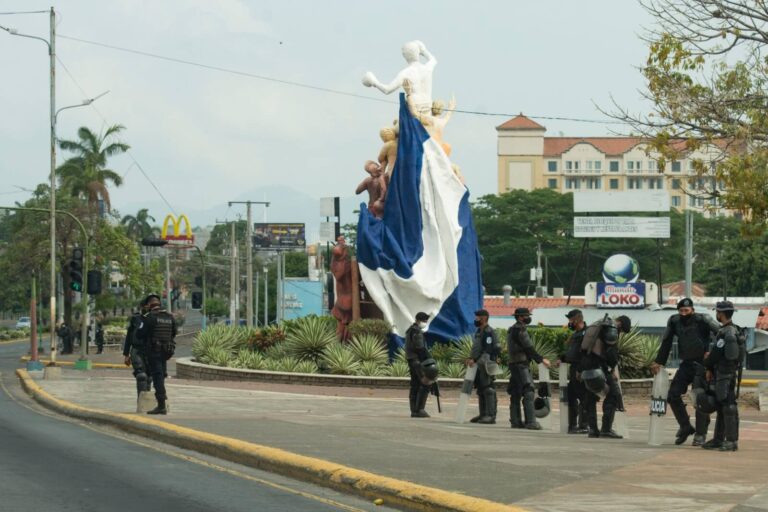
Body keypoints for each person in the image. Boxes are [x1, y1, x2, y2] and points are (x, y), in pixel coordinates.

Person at [651, 297, 719, 446]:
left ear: (692, 310)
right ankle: (685, 426)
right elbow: (667, 342)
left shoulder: (703, 320)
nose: (683, 313)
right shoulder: (674, 321)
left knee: (699, 399)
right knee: (672, 395)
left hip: (702, 365)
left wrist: (711, 354)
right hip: (686, 365)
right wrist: (659, 362)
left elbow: (721, 334)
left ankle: (700, 434)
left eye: (686, 311)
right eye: (681, 310)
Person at [580, 314, 631, 439]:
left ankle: (592, 429)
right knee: (613, 394)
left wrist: (579, 369)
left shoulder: (597, 324)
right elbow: (611, 352)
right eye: (623, 330)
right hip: (599, 365)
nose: (621, 332)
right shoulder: (611, 327)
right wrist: (613, 368)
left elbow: (582, 348)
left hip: (586, 364)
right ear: (621, 324)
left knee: (591, 396)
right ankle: (606, 429)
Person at [701, 301, 742, 451]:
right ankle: (719, 439)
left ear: (721, 313)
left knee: (728, 406)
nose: (716, 314)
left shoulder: (727, 332)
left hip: (725, 374)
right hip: (724, 373)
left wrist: (707, 361)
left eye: (717, 312)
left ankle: (731, 441)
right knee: (722, 406)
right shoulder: (732, 330)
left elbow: (719, 355)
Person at [507, 307, 551, 430]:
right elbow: (529, 348)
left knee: (515, 392)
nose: (528, 318)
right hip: (521, 364)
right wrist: (541, 360)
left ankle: (515, 421)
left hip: (513, 364)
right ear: (520, 317)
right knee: (529, 390)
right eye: (526, 316)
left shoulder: (511, 329)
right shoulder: (521, 330)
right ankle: (531, 421)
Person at [136, 294, 177, 415]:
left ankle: (161, 405)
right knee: (161, 375)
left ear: (149, 306)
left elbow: (140, 334)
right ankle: (161, 403)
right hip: (167, 351)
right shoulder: (170, 317)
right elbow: (174, 333)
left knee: (157, 376)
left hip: (154, 351)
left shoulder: (150, 317)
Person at [467, 309, 500, 424]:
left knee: (488, 389)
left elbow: (488, 350)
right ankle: (483, 414)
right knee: (481, 389)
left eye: (478, 317)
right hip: (478, 364)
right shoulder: (479, 331)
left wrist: (476, 360)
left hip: (486, 363)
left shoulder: (488, 332)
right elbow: (477, 348)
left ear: (484, 318)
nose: (476, 319)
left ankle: (490, 416)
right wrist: (471, 358)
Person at [558, 309, 589, 434]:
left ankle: (583, 425)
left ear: (577, 319)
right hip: (574, 369)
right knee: (571, 397)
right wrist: (562, 358)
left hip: (581, 370)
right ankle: (572, 425)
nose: (569, 322)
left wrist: (581, 370)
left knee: (583, 398)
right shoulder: (576, 334)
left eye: (570, 320)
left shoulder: (586, 333)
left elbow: (585, 354)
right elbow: (572, 352)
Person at [405, 312, 432, 418]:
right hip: (417, 361)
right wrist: (429, 358)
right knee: (426, 383)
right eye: (424, 321)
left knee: (415, 384)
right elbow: (420, 348)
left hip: (411, 360)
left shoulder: (410, 330)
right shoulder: (417, 332)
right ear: (419, 320)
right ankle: (420, 409)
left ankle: (414, 410)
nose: (425, 323)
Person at [123, 299, 151, 397]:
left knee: (149, 377)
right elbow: (129, 337)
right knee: (141, 376)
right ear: (142, 307)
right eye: (146, 306)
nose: (147, 308)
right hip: (137, 350)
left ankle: (147, 400)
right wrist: (126, 354)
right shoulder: (136, 319)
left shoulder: (154, 318)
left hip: (150, 351)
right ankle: (141, 401)